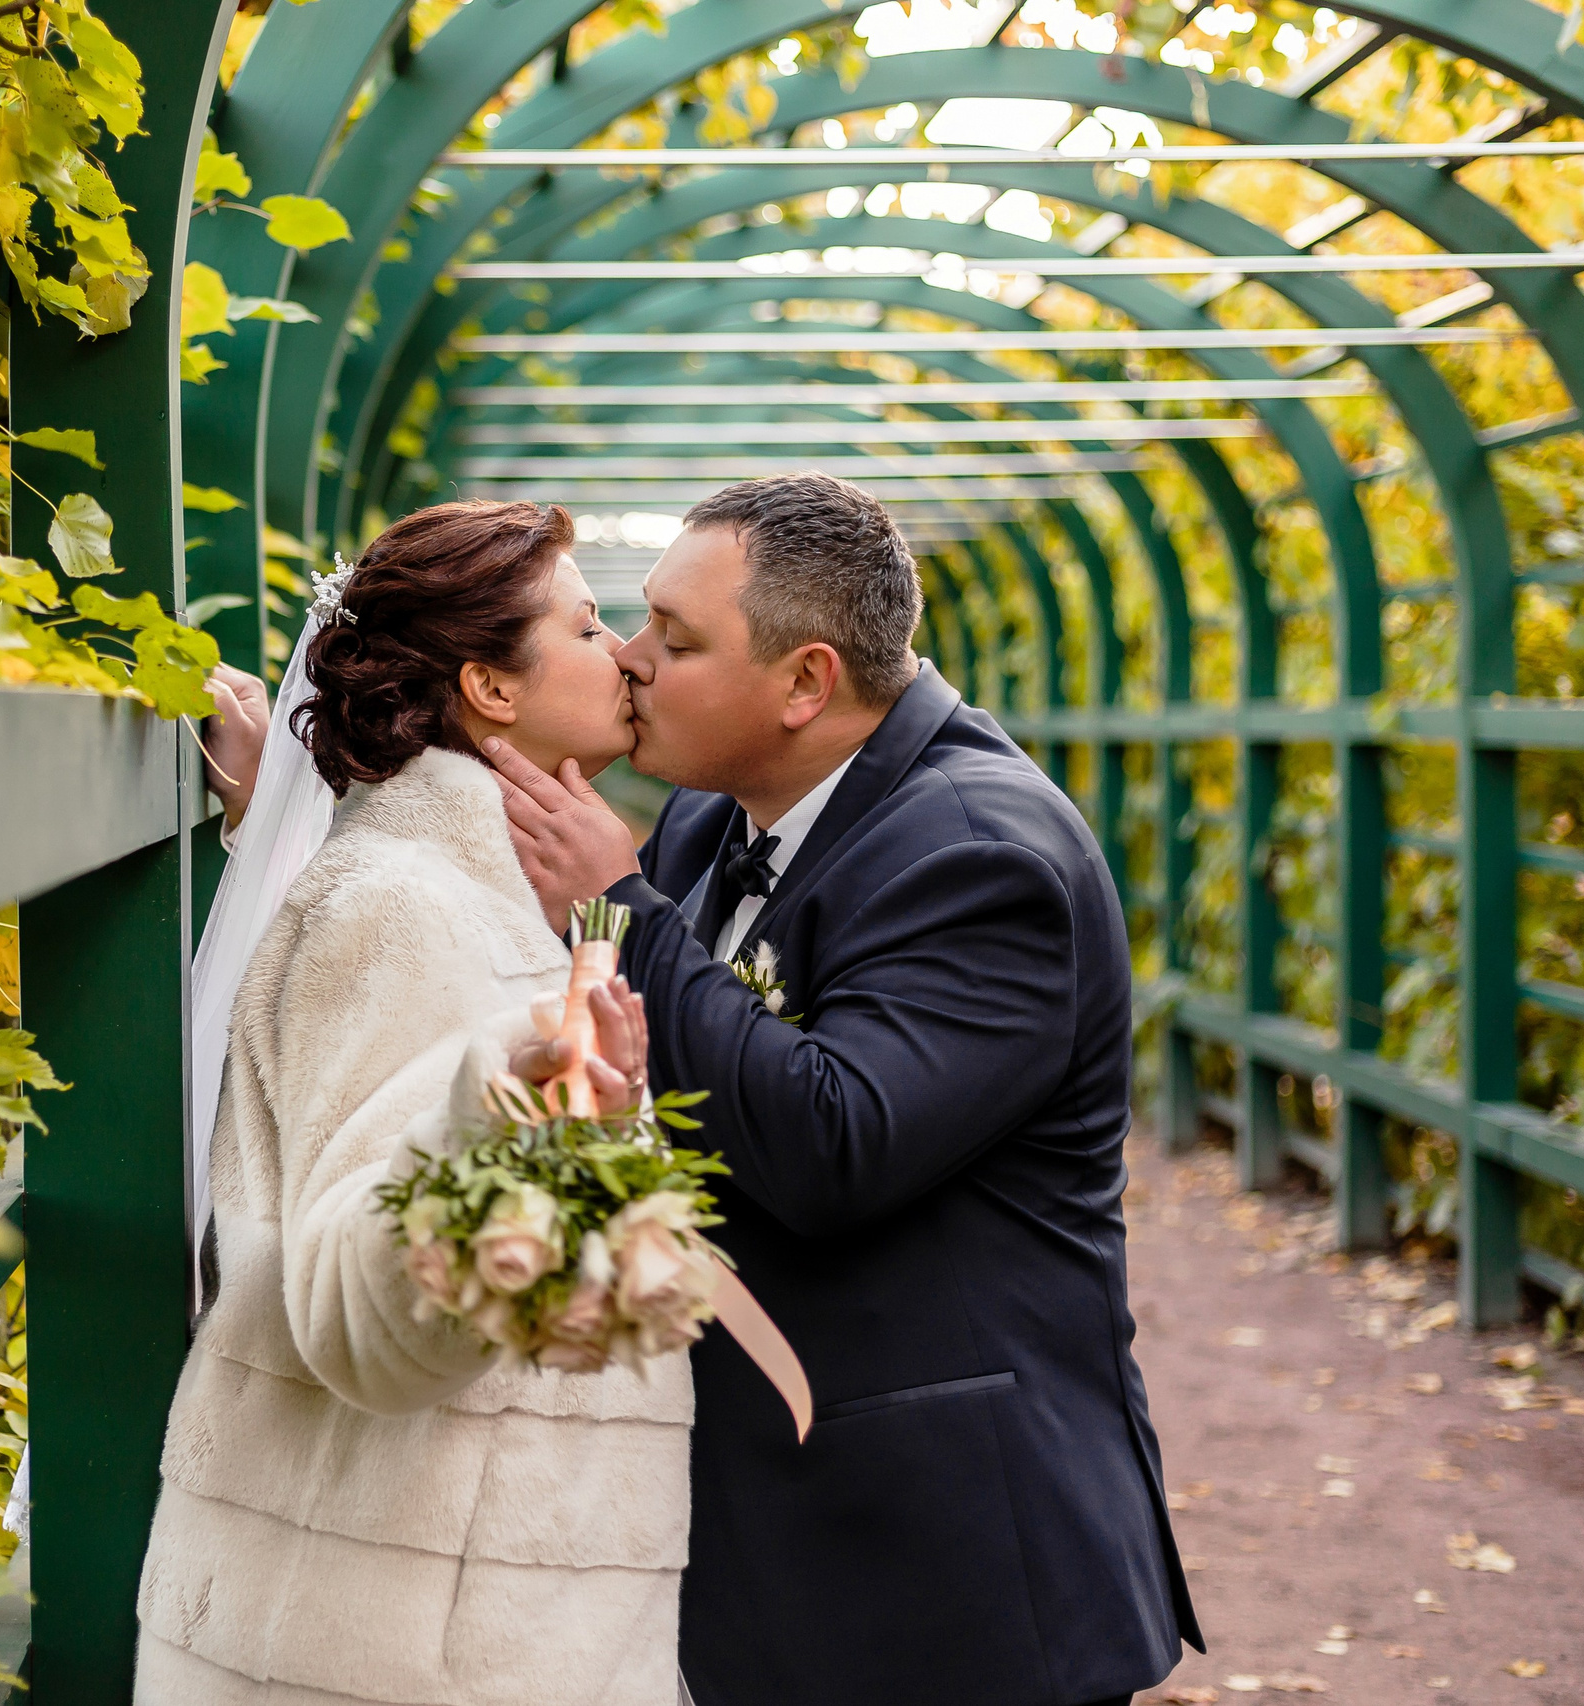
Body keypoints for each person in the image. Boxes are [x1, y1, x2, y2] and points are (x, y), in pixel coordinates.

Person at [484, 473, 1203, 1706]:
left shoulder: (982, 853)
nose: (633, 658)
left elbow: (835, 1142)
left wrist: (625, 910)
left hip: (949, 1572)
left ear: (805, 681)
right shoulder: (709, 821)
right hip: (778, 1540)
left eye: (675, 637)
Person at [139, 500, 694, 1706]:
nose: (623, 653)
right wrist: (494, 1113)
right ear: (489, 687)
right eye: (585, 625)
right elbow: (358, 1315)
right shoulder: (394, 910)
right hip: (413, 1650)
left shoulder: (473, 900)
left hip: (470, 1618)